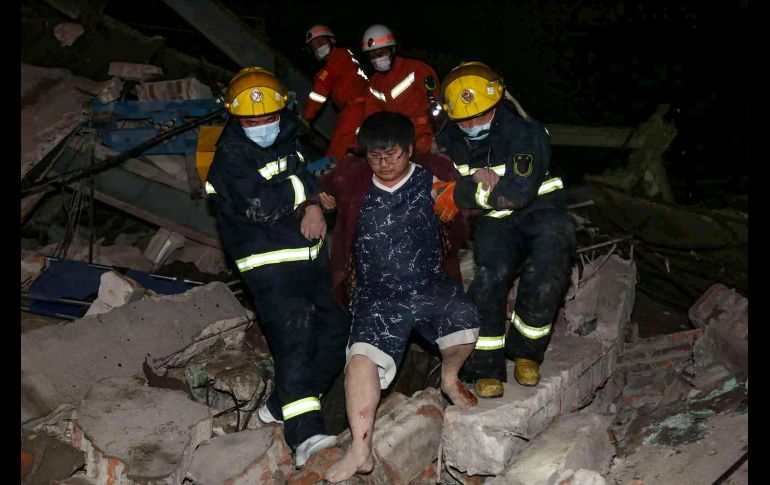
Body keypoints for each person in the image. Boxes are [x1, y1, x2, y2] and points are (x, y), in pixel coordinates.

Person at [322, 112, 480, 483]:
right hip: (378, 296)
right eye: (375, 156)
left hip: (429, 285)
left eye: (392, 155)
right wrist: (315, 205)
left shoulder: (435, 174)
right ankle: (360, 451)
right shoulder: (351, 177)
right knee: (359, 364)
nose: (383, 163)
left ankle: (450, 377)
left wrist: (469, 193)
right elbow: (322, 188)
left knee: (466, 324)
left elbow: (471, 203)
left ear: (410, 150)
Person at [205, 67, 349, 467]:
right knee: (296, 340)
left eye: (269, 117)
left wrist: (315, 205)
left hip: (309, 256)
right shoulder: (230, 157)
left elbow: (300, 181)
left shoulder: (289, 141)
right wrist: (311, 192)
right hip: (269, 267)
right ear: (236, 117)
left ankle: (281, 405)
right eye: (252, 120)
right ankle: (305, 435)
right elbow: (260, 205)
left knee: (338, 329)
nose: (262, 125)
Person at [432, 62, 576, 397]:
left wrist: (467, 191)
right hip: (494, 221)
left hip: (543, 212)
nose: (472, 124)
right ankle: (485, 366)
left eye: (480, 115)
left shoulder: (525, 133)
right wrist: (472, 186)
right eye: (464, 119)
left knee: (550, 267)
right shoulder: (447, 142)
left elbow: (517, 193)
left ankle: (526, 353)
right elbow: (437, 194)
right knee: (489, 276)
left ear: (496, 104)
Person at [360, 24, 439, 155]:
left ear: (392, 49)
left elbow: (437, 103)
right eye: (372, 56)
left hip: (426, 134)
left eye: (381, 53)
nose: (377, 59)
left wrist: (435, 136)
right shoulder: (373, 84)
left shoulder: (416, 69)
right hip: (397, 140)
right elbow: (371, 119)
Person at [303, 24, 372, 161]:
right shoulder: (348, 56)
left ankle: (327, 180)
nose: (318, 48)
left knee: (336, 154)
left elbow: (319, 91)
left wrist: (306, 118)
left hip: (354, 110)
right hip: (368, 108)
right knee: (355, 152)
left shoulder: (336, 59)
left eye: (321, 42)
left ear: (332, 41)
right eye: (314, 46)